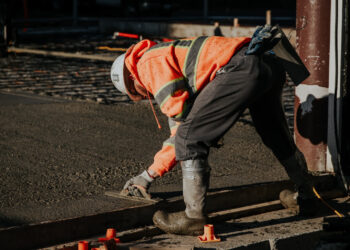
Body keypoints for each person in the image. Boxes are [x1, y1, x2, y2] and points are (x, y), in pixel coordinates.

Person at [111, 25, 317, 236]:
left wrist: (147, 176)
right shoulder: (166, 55)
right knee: (275, 134)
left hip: (241, 67)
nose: (145, 95)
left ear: (131, 79)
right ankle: (306, 195)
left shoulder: (148, 65)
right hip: (268, 63)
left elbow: (182, 133)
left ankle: (193, 217)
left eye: (137, 93)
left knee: (189, 139)